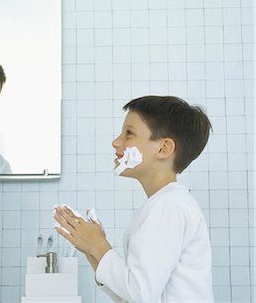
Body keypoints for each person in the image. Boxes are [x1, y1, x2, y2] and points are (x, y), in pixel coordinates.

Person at [54, 96, 214, 302]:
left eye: (129, 133)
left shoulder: (167, 207)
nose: (116, 141)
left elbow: (140, 293)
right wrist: (92, 250)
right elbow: (131, 294)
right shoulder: (166, 203)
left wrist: (98, 245)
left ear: (163, 148)